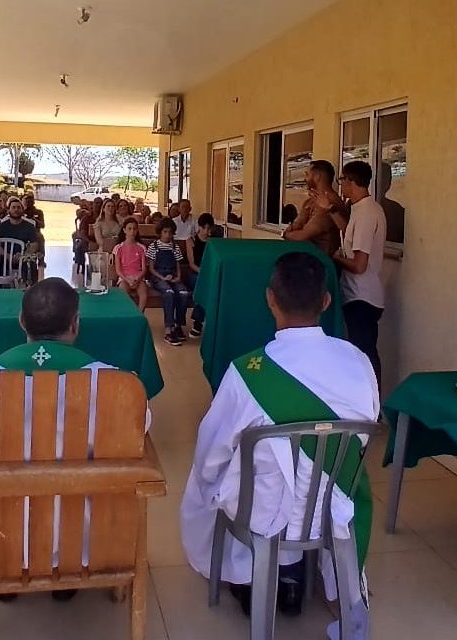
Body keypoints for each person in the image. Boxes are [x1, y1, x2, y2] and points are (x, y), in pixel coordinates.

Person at [180, 252, 377, 637]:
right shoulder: (358, 361)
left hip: (263, 512)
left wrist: (209, 482)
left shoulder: (247, 372)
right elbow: (366, 429)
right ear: (325, 301)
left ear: (270, 299)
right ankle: (299, 573)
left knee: (214, 477)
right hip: (331, 505)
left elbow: (211, 452)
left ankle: (252, 572)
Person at [0, 278, 151, 603]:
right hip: (81, 536)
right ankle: (66, 573)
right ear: (76, 324)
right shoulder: (111, 382)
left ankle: (10, 572)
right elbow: (138, 428)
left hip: (1, 533)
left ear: (21, 321)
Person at [324, 161, 386, 382]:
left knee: (364, 355)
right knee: (359, 353)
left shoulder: (367, 213)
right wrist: (330, 210)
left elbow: (359, 265)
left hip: (362, 298)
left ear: (351, 181)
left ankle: (371, 408)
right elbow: (348, 230)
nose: (341, 185)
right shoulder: (360, 208)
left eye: (342, 180)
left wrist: (337, 258)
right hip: (357, 295)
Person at [283, 160, 344, 259]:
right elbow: (295, 226)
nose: (304, 179)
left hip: (324, 265)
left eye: (307, 174)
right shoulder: (309, 202)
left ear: (317, 176)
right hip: (309, 261)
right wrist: (291, 231)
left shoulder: (329, 203)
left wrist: (286, 234)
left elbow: (301, 236)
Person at [146, 218, 190, 346]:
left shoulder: (175, 247)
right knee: (169, 292)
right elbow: (151, 268)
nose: (167, 235)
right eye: (165, 232)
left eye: (170, 232)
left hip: (173, 275)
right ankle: (168, 328)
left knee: (183, 293)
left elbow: (177, 265)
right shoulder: (154, 246)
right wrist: (162, 277)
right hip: (158, 276)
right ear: (160, 232)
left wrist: (178, 277)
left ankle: (178, 325)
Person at [0, 196, 40, 286]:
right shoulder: (1, 227)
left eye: (19, 207)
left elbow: (34, 244)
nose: (16, 210)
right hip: (5, 259)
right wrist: (8, 256)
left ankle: (32, 289)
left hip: (23, 259)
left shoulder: (29, 227)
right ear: (8, 210)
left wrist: (24, 255)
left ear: (22, 210)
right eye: (13, 207)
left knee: (32, 264)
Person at [185, 213, 214, 337]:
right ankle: (198, 322)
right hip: (195, 273)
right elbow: (191, 264)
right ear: (199, 227)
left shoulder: (213, 242)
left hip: (210, 274)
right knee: (203, 286)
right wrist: (204, 273)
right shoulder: (191, 240)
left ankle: (208, 322)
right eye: (205, 228)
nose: (207, 232)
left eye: (209, 229)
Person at [113, 218, 148, 310]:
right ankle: (128, 315)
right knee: (123, 293)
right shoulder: (118, 248)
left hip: (138, 278)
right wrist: (128, 280)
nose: (132, 231)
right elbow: (118, 270)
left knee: (143, 295)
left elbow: (144, 269)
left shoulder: (141, 247)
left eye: (134, 229)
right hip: (124, 278)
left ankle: (139, 316)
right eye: (129, 229)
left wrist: (137, 278)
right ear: (124, 230)